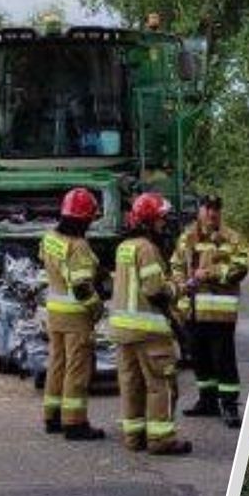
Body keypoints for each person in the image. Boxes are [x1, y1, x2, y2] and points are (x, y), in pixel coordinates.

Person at [108, 192, 192, 455]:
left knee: (131, 385)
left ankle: (134, 437)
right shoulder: (147, 248)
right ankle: (161, 439)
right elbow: (155, 289)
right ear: (150, 220)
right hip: (149, 331)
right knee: (161, 384)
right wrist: (178, 287)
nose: (163, 224)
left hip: (123, 332)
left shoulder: (125, 247)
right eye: (161, 219)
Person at [172, 195, 248, 428]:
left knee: (223, 359)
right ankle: (207, 401)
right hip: (193, 311)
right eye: (207, 208)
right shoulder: (187, 237)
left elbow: (240, 268)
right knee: (199, 357)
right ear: (200, 211)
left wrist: (211, 274)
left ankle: (229, 405)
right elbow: (176, 265)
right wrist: (181, 284)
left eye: (216, 209)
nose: (212, 213)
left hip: (220, 313)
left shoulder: (231, 238)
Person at [39, 188, 106, 440]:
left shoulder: (50, 238)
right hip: (76, 317)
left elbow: (47, 264)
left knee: (57, 365)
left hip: (54, 314)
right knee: (77, 369)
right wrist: (97, 307)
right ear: (83, 219)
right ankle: (75, 423)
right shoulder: (78, 247)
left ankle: (52, 416)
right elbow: (81, 288)